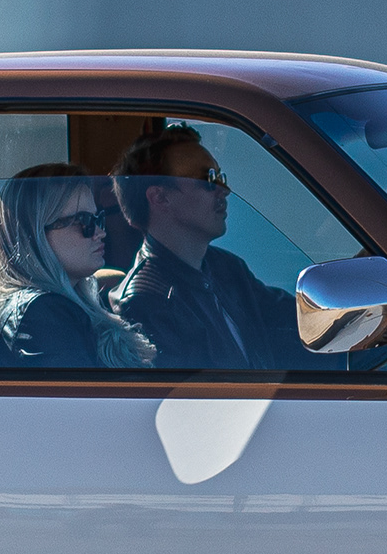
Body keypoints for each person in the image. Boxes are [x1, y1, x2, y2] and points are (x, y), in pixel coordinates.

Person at [112, 124, 300, 371]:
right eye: (209, 179)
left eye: (221, 178)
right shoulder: (146, 303)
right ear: (160, 197)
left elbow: (295, 320)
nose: (224, 191)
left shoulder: (227, 268)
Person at [0, 166, 153, 368]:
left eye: (97, 219)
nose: (100, 233)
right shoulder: (42, 312)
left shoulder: (67, 304)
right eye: (83, 220)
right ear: (34, 233)